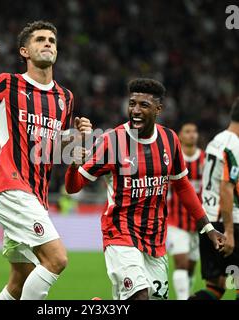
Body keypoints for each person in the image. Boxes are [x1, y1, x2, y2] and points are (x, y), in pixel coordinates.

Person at [0, 21, 92, 300]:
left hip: (36, 196)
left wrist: (77, 140)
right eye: (40, 39)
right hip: (11, 187)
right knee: (57, 259)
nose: (48, 43)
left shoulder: (65, 98)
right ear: (25, 51)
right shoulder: (8, 84)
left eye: (52, 39)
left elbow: (49, 148)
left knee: (20, 279)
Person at [65, 78, 225, 300]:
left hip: (155, 240)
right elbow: (73, 187)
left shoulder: (170, 140)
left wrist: (207, 228)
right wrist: (74, 164)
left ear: (158, 109)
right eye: (132, 104)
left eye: (144, 105)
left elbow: (182, 186)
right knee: (140, 295)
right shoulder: (111, 141)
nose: (136, 111)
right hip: (120, 234)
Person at [190, 98, 239, 300]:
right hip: (230, 222)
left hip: (209, 223)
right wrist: (229, 231)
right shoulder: (234, 146)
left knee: (216, 288)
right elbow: (226, 188)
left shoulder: (216, 141)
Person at [167, 123, 205, 299]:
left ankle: (187, 294)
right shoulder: (172, 159)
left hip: (199, 223)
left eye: (194, 132)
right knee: (181, 263)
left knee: (191, 266)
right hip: (175, 221)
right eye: (188, 132)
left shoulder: (205, 160)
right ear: (180, 136)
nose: (192, 135)